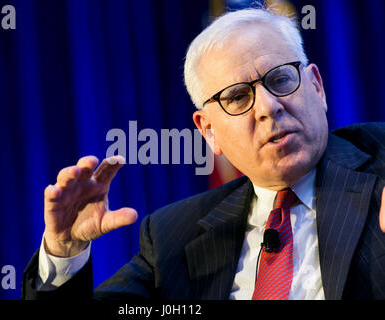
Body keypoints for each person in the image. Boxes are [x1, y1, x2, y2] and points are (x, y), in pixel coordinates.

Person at [22, 7, 385, 300]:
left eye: (279, 79)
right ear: (208, 131)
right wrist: (63, 252)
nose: (268, 107)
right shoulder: (173, 238)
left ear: (317, 87)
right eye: (238, 97)